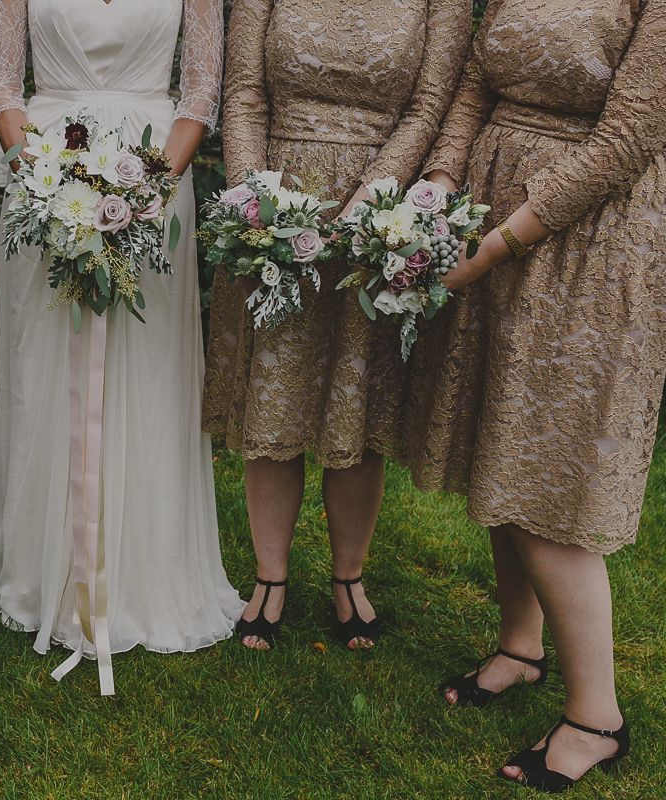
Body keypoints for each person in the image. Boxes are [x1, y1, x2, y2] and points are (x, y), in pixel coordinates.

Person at [405, 0, 666, 789]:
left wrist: (494, 245)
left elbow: (626, 141)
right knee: (500, 446)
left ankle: (597, 717)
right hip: (491, 212)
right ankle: (521, 647)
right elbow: (478, 81)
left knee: (547, 469)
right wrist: (445, 179)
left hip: (589, 240)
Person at [0, 0, 243, 692]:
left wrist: (151, 187)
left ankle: (145, 575)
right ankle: (43, 576)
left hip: (155, 177)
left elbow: (200, 92)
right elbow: (3, 88)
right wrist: (37, 178)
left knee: (151, 366)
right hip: (42, 173)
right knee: (42, 365)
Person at [203, 0, 471, 651]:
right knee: (273, 399)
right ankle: (271, 578)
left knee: (359, 405)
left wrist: (372, 200)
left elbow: (430, 105)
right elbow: (243, 94)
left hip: (379, 216)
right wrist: (254, 199)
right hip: (277, 202)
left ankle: (349, 577)